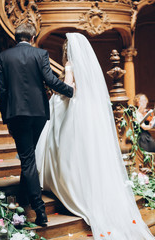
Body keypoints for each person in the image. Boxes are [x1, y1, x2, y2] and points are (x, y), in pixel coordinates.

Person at [35, 33, 155, 239]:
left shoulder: (70, 65)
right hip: (84, 111)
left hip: (69, 109)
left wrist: (57, 93)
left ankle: (69, 187)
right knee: (86, 151)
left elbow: (70, 89)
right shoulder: (87, 68)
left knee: (64, 148)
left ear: (67, 51)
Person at [0, 23, 74, 226]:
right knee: (28, 156)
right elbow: (50, 80)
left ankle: (39, 211)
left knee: (28, 158)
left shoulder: (3, 57)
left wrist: (6, 117)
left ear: (16, 38)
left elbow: (1, 90)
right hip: (39, 114)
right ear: (32, 38)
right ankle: (23, 197)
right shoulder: (41, 54)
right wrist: (70, 91)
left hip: (17, 115)